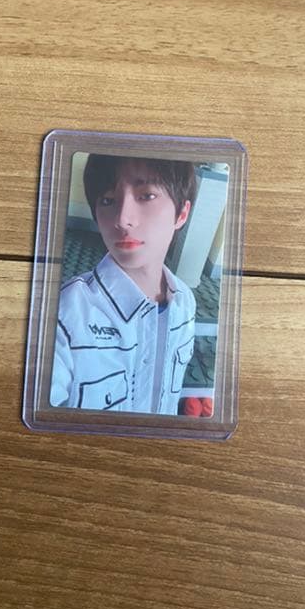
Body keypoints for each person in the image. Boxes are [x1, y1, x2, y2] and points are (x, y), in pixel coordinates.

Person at [50, 153, 197, 415]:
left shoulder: (185, 302)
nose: (122, 219)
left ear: (181, 214)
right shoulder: (67, 312)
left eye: (146, 196)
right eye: (108, 201)